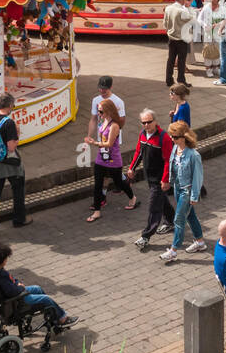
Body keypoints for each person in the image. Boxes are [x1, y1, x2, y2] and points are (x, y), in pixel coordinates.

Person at [0, 243, 78, 328]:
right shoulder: (1, 276)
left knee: (37, 288)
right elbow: (11, 291)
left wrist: (17, 283)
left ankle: (53, 316)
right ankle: (62, 318)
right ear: (3, 260)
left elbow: (11, 281)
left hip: (16, 294)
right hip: (18, 300)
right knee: (46, 299)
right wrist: (21, 287)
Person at [160, 120, 205, 263]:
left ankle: (173, 251)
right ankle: (200, 242)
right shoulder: (175, 149)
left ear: (184, 137)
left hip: (187, 190)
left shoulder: (193, 155)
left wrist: (194, 196)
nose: (172, 139)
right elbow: (171, 166)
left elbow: (198, 177)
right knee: (190, 216)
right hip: (177, 188)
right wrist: (168, 181)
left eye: (175, 137)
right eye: (171, 136)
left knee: (179, 219)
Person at [85, 98, 136, 223]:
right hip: (101, 159)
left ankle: (132, 197)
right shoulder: (103, 122)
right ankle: (97, 211)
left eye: (101, 112)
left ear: (108, 111)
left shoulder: (114, 125)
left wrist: (95, 143)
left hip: (113, 160)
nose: (99, 114)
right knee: (97, 184)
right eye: (98, 111)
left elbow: (109, 143)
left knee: (119, 182)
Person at [130, 110, 175, 250]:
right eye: (144, 122)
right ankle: (171, 221)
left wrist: (165, 179)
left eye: (149, 122)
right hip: (149, 177)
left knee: (153, 207)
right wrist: (132, 168)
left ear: (155, 121)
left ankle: (145, 236)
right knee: (160, 200)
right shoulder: (142, 135)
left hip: (160, 179)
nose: (147, 125)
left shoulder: (164, 138)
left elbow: (168, 160)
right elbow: (139, 152)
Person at [0, 92, 29, 229]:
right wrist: (18, 135)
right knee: (18, 189)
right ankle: (19, 219)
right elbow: (11, 147)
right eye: (12, 106)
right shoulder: (9, 123)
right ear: (9, 106)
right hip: (10, 164)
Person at [162, 0, 194, 88]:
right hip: (181, 39)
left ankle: (168, 80)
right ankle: (181, 80)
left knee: (171, 59)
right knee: (181, 60)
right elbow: (192, 20)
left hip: (171, 37)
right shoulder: (182, 11)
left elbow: (165, 24)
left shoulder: (168, 8)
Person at [195, 0, 224, 78]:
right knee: (208, 51)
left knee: (217, 51)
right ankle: (208, 69)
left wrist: (218, 24)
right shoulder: (206, 7)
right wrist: (205, 25)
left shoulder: (221, 8)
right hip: (208, 33)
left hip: (217, 33)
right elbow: (199, 19)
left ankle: (216, 68)